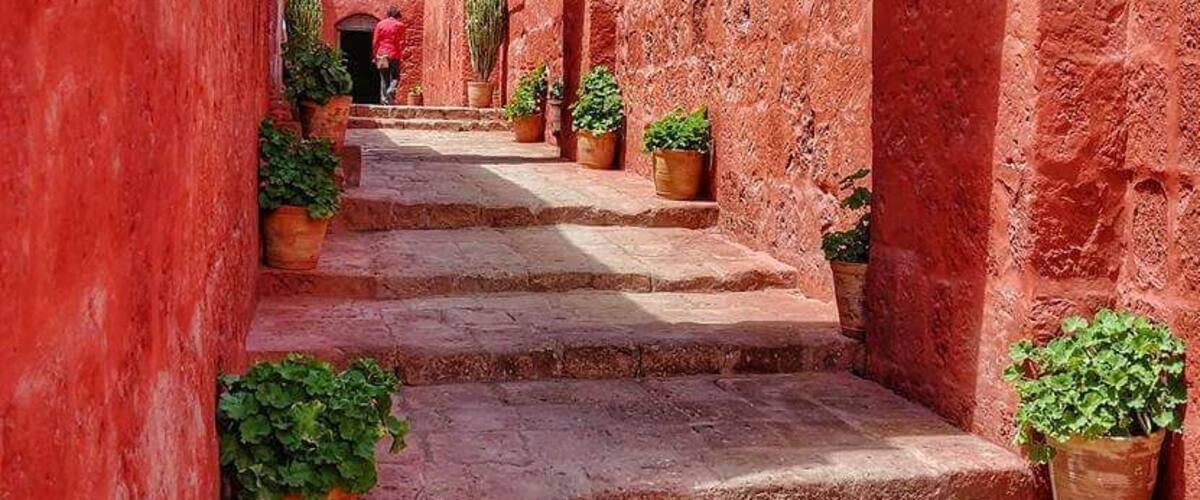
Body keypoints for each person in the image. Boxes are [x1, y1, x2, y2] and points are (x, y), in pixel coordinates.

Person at [372, 7, 406, 104]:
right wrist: (401, 53)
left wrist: (375, 56)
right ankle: (391, 89)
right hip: (394, 53)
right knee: (395, 77)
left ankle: (385, 100)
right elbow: (402, 42)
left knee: (384, 77)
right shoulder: (400, 25)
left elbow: (375, 42)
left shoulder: (380, 24)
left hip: (382, 53)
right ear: (397, 15)